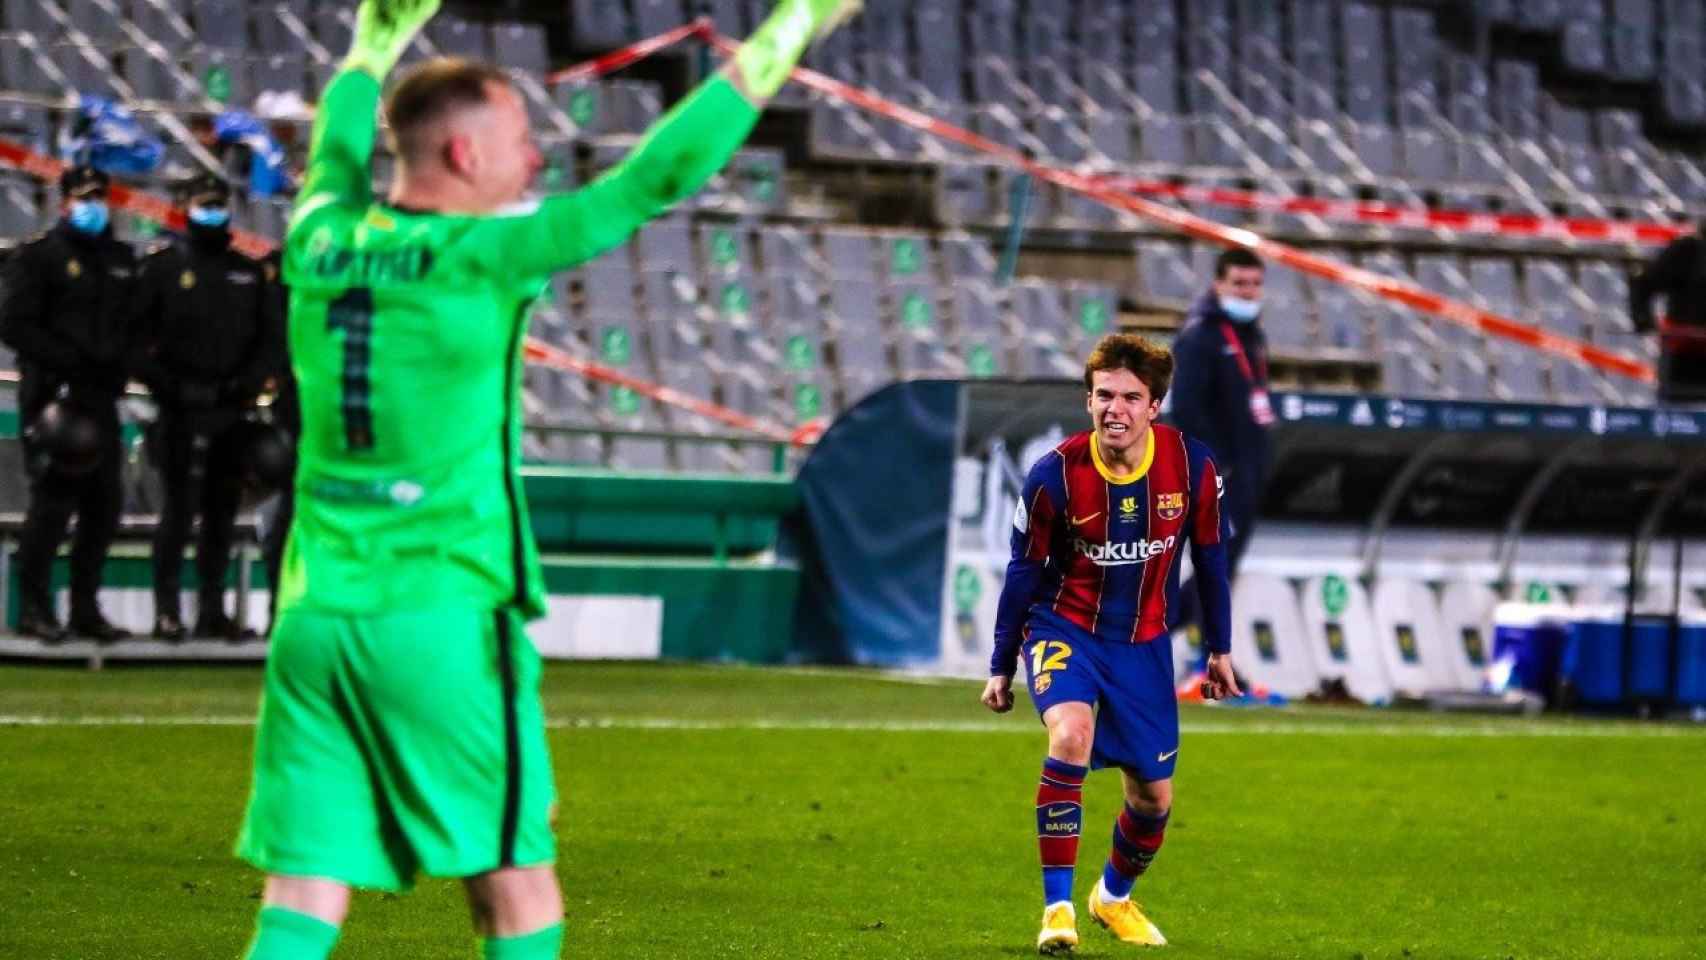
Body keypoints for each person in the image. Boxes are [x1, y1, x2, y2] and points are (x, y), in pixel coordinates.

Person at [232, 1, 861, 958]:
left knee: (306, 887)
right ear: (461, 156)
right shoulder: (483, 257)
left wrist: (370, 46)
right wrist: (791, 29)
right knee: (517, 884)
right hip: (439, 611)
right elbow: (656, 177)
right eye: (520, 141)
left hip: (314, 615)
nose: (535, 161)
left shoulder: (317, 239)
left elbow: (337, 152)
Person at [980, 333, 1239, 954]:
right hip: (1064, 627)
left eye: (1130, 397)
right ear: (1087, 401)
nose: (1114, 409)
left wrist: (1220, 648)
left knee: (1153, 799)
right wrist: (1000, 663)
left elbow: (1209, 558)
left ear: (1154, 406)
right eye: (1102, 396)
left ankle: (1111, 898)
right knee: (1070, 735)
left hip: (1144, 644)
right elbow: (1022, 573)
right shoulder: (1053, 477)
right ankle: (1057, 909)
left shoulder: (1193, 466)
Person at [132, 173, 283, 641]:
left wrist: (243, 387)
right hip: (177, 409)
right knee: (177, 514)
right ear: (185, 208)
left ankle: (213, 610)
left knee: (221, 515)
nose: (212, 212)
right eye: (204, 204)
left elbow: (270, 341)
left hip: (231, 409)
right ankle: (167, 610)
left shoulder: (248, 272)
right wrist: (170, 387)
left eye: (219, 204)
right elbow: (135, 340)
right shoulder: (161, 269)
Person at [0, 165, 134, 644]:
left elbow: (132, 325)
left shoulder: (119, 260)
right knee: (51, 509)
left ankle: (85, 607)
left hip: (100, 400)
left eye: (99, 195)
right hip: (53, 400)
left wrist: (118, 366)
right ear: (65, 202)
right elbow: (13, 324)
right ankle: (35, 608)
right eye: (84, 196)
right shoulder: (38, 257)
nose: (93, 204)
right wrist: (71, 360)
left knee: (104, 508)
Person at [1167, 247, 1274, 631]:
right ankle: (1139, 647)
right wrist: (1217, 466)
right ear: (1218, 284)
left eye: (1255, 284)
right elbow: (1186, 408)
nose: (1248, 291)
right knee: (1215, 571)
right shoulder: (1201, 336)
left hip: (1245, 473)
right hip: (1218, 476)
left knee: (1221, 573)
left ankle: (1141, 647)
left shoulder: (1251, 335)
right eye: (1239, 283)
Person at [1630, 221, 1706, 405]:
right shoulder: (1689, 250)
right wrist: (1644, 320)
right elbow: (1643, 283)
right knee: (1681, 420)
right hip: (1685, 356)